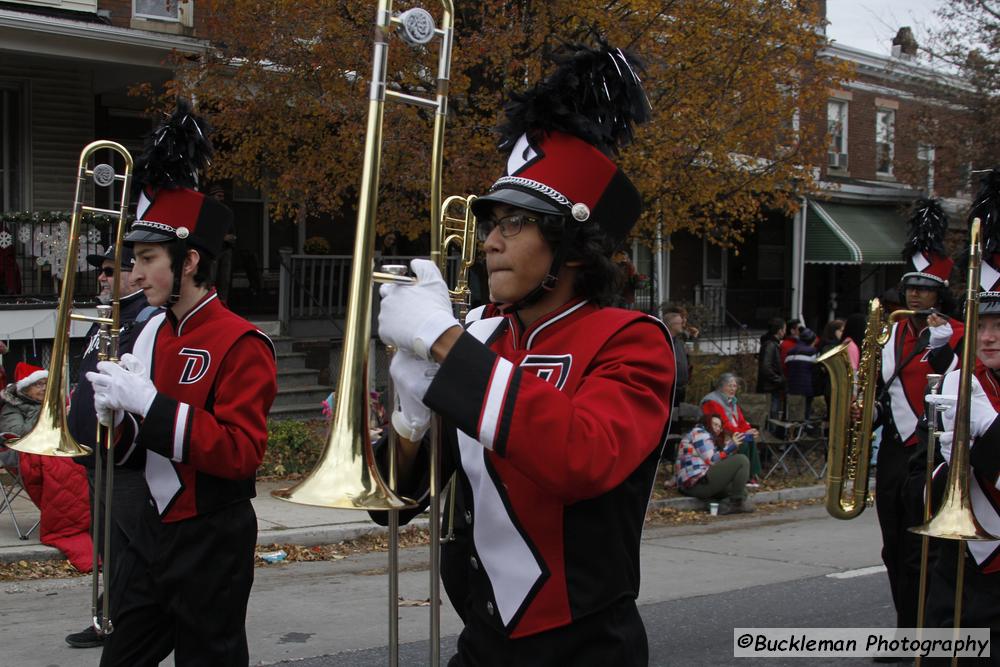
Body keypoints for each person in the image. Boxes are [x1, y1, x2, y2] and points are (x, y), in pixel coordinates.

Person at [375, 42, 673, 666]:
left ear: (569, 247)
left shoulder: (632, 340)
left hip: (585, 647)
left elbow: (581, 457)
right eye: (491, 223)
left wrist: (441, 339)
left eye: (515, 224)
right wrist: (408, 420)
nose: (489, 242)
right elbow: (392, 507)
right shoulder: (482, 336)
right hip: (482, 640)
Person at [85, 100, 278, 667]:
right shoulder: (149, 334)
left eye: (147, 259)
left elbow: (243, 453)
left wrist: (151, 405)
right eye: (135, 260)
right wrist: (113, 419)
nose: (137, 273)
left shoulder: (243, 341)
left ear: (189, 260)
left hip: (212, 535)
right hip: (151, 527)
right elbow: (128, 451)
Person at [873, 197, 963, 638]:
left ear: (939, 293)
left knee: (922, 551)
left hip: (931, 450)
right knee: (893, 549)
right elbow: (880, 389)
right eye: (910, 287)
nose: (914, 294)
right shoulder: (888, 333)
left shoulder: (958, 334)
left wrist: (946, 348)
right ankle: (904, 628)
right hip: (893, 449)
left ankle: (930, 633)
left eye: (924, 289)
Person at [63, 244, 155, 649]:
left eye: (108, 271)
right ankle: (113, 615)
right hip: (91, 453)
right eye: (99, 271)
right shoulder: (105, 318)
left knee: (136, 543)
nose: (100, 277)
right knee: (110, 545)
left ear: (133, 274)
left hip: (121, 456)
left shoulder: (143, 318)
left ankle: (131, 618)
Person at [675, 414, 753, 514]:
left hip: (692, 485)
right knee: (742, 460)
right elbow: (712, 460)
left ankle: (715, 504)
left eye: (719, 427)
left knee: (741, 491)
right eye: (715, 424)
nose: (717, 428)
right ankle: (735, 504)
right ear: (706, 423)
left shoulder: (701, 436)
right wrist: (731, 446)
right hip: (696, 484)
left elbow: (716, 462)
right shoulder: (700, 433)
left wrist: (729, 447)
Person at [701, 373, 762, 487]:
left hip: (732, 433)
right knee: (742, 440)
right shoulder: (712, 401)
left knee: (750, 439)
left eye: (734, 386)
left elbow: (742, 422)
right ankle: (744, 476)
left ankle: (751, 475)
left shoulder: (732, 402)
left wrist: (750, 430)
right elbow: (723, 423)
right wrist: (743, 433)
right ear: (721, 386)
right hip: (717, 434)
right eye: (730, 386)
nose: (733, 389)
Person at [0, 362, 48, 441]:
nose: (45, 388)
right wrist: (43, 414)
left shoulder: (52, 404)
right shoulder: (12, 407)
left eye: (47, 384)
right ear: (25, 389)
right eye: (39, 384)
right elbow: (16, 435)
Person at [785, 328, 818, 420]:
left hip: (791, 386)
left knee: (792, 412)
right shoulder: (812, 352)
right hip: (807, 387)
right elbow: (816, 369)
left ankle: (793, 430)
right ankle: (803, 428)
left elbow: (787, 367)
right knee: (805, 412)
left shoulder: (790, 352)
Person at [757, 317, 786, 418]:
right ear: (779, 331)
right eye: (784, 329)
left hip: (771, 386)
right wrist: (779, 379)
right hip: (770, 387)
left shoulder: (771, 344)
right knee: (772, 415)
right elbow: (766, 367)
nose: (785, 332)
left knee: (772, 413)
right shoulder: (770, 345)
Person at [663, 308, 691, 406]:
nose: (682, 325)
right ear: (672, 325)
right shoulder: (664, 342)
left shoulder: (679, 342)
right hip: (669, 389)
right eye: (679, 323)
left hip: (680, 389)